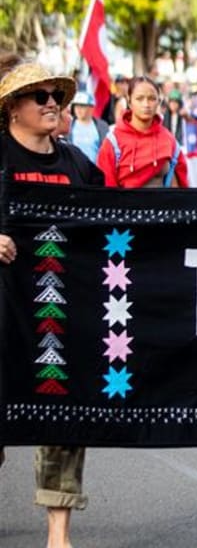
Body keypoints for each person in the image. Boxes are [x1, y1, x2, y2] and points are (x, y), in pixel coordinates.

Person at [0, 60, 105, 548]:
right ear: (10, 109)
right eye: (38, 96)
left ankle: (58, 535)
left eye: (55, 97)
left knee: (61, 423)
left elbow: (119, 223)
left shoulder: (78, 165)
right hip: (3, 315)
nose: (50, 104)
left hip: (58, 319)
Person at [96, 76, 189, 188]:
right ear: (129, 102)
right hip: (123, 205)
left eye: (152, 99)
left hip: (162, 204)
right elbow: (105, 190)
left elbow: (180, 187)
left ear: (159, 102)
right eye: (139, 98)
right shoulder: (113, 142)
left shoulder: (169, 141)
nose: (146, 104)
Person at [67, 91, 108, 163]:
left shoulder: (102, 126)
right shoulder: (68, 125)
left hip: (95, 170)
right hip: (75, 170)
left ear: (91, 108)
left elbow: (107, 150)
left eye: (82, 106)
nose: (78, 109)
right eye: (76, 106)